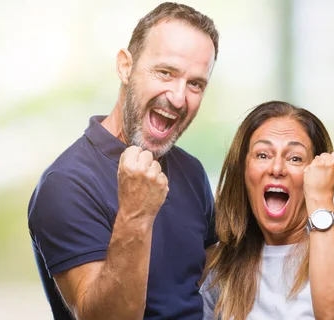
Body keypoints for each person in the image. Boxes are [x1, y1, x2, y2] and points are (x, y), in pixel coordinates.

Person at [27, 3, 220, 319]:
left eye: (195, 83)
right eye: (165, 72)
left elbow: (211, 286)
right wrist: (136, 212)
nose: (178, 97)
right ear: (125, 67)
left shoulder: (192, 171)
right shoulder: (65, 183)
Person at [201, 101, 334, 319]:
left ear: (316, 173)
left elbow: (332, 312)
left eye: (295, 158)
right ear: (243, 170)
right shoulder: (224, 265)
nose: (277, 168)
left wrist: (322, 197)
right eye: (263, 155)